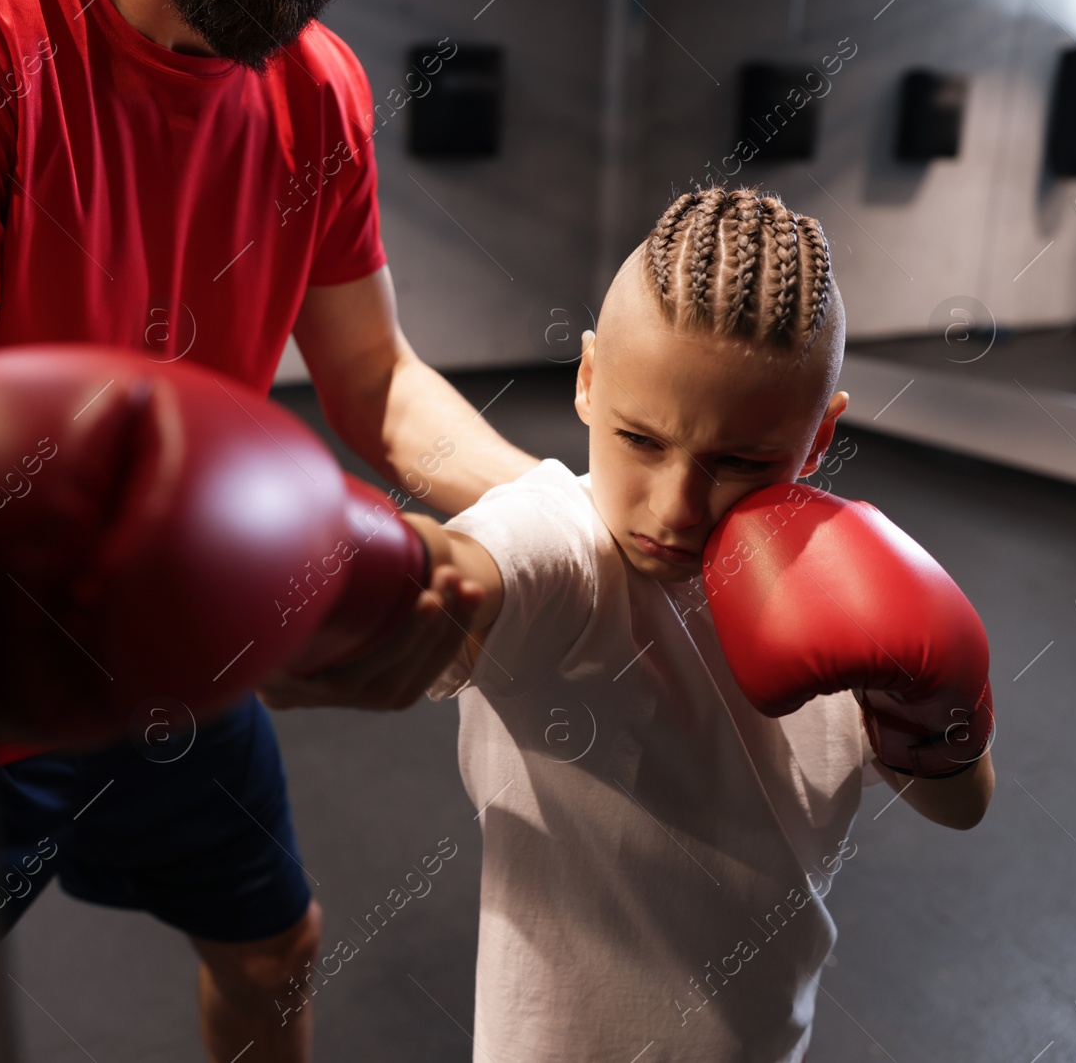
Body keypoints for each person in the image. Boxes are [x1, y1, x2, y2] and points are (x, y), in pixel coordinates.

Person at [0, 0, 528, 1060]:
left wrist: (559, 515)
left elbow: (374, 373)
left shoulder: (318, 85)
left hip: (174, 658)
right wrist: (276, 569)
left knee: (272, 950)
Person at [399, 187, 997, 1061]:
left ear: (819, 437)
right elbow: (457, 581)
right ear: (589, 379)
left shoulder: (837, 581)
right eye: (640, 440)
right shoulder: (562, 546)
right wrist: (358, 577)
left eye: (739, 463)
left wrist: (927, 697)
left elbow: (964, 805)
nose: (675, 508)